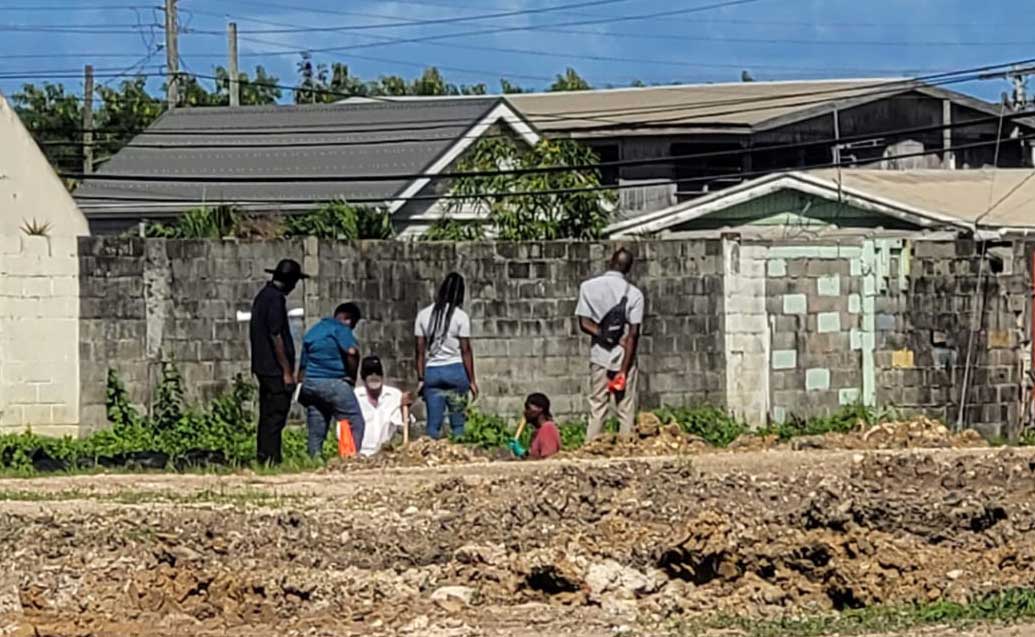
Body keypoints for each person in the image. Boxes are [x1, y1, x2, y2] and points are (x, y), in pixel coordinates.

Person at [575, 247, 645, 440]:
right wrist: (623, 370)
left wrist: (605, 335)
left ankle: (591, 448)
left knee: (597, 405)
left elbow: (584, 323)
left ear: (610, 262)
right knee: (625, 407)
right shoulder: (635, 294)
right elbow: (633, 334)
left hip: (599, 354)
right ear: (629, 268)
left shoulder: (588, 287)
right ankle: (625, 448)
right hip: (624, 355)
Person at [250, 258, 308, 465]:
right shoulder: (275, 299)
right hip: (274, 370)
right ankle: (271, 458)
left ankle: (265, 456)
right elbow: (276, 335)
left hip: (263, 367)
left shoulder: (263, 296)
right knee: (275, 416)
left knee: (267, 415)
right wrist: (286, 371)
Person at [297, 303, 366, 458]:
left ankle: (314, 459)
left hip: (310, 383)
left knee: (317, 423)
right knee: (354, 421)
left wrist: (300, 387)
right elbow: (352, 352)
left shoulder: (313, 331)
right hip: (333, 381)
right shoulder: (340, 329)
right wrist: (352, 378)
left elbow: (302, 365)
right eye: (353, 324)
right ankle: (351, 458)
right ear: (348, 319)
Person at [415, 272, 478, 439]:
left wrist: (421, 379)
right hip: (456, 371)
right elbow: (466, 351)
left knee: (433, 425)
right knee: (458, 424)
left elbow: (420, 351)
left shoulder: (423, 315)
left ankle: (431, 458)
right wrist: (472, 380)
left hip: (433, 372)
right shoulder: (461, 317)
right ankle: (458, 456)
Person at [355, 355, 415, 456]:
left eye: (377, 372)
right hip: (361, 454)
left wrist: (403, 408)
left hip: (389, 453)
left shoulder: (395, 395)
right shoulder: (355, 397)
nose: (374, 376)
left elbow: (405, 426)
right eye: (369, 373)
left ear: (382, 376)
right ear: (363, 377)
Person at [525, 393, 561, 460]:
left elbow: (549, 459)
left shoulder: (548, 428)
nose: (525, 412)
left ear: (540, 409)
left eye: (528, 408)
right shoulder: (537, 432)